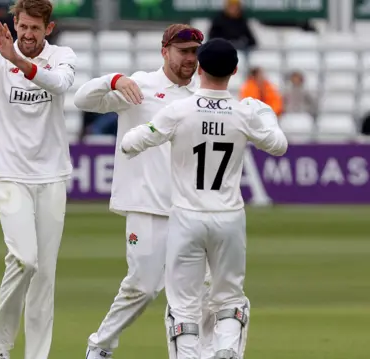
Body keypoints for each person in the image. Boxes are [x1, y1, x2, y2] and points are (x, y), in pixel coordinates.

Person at [120, 38, 288, 359]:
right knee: (229, 299)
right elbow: (278, 145)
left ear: (199, 67)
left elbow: (131, 143)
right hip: (229, 219)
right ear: (235, 70)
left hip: (186, 217)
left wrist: (149, 131)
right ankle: (225, 349)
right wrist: (263, 111)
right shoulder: (244, 112)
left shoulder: (179, 111)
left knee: (183, 304)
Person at [74, 24, 220, 359]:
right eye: (183, 51)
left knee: (202, 291)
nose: (189, 59)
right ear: (164, 51)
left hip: (191, 209)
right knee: (142, 286)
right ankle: (100, 346)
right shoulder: (140, 86)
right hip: (146, 205)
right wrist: (113, 80)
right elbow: (83, 100)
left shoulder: (202, 95)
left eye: (195, 52)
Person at [0, 0, 76, 358]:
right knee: (25, 258)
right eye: (22, 27)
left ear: (48, 29)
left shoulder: (62, 55)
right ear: (15, 23)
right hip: (10, 173)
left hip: (52, 174)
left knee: (44, 278)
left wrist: (18, 61)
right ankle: (0, 346)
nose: (26, 34)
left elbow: (59, 84)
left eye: (34, 29)